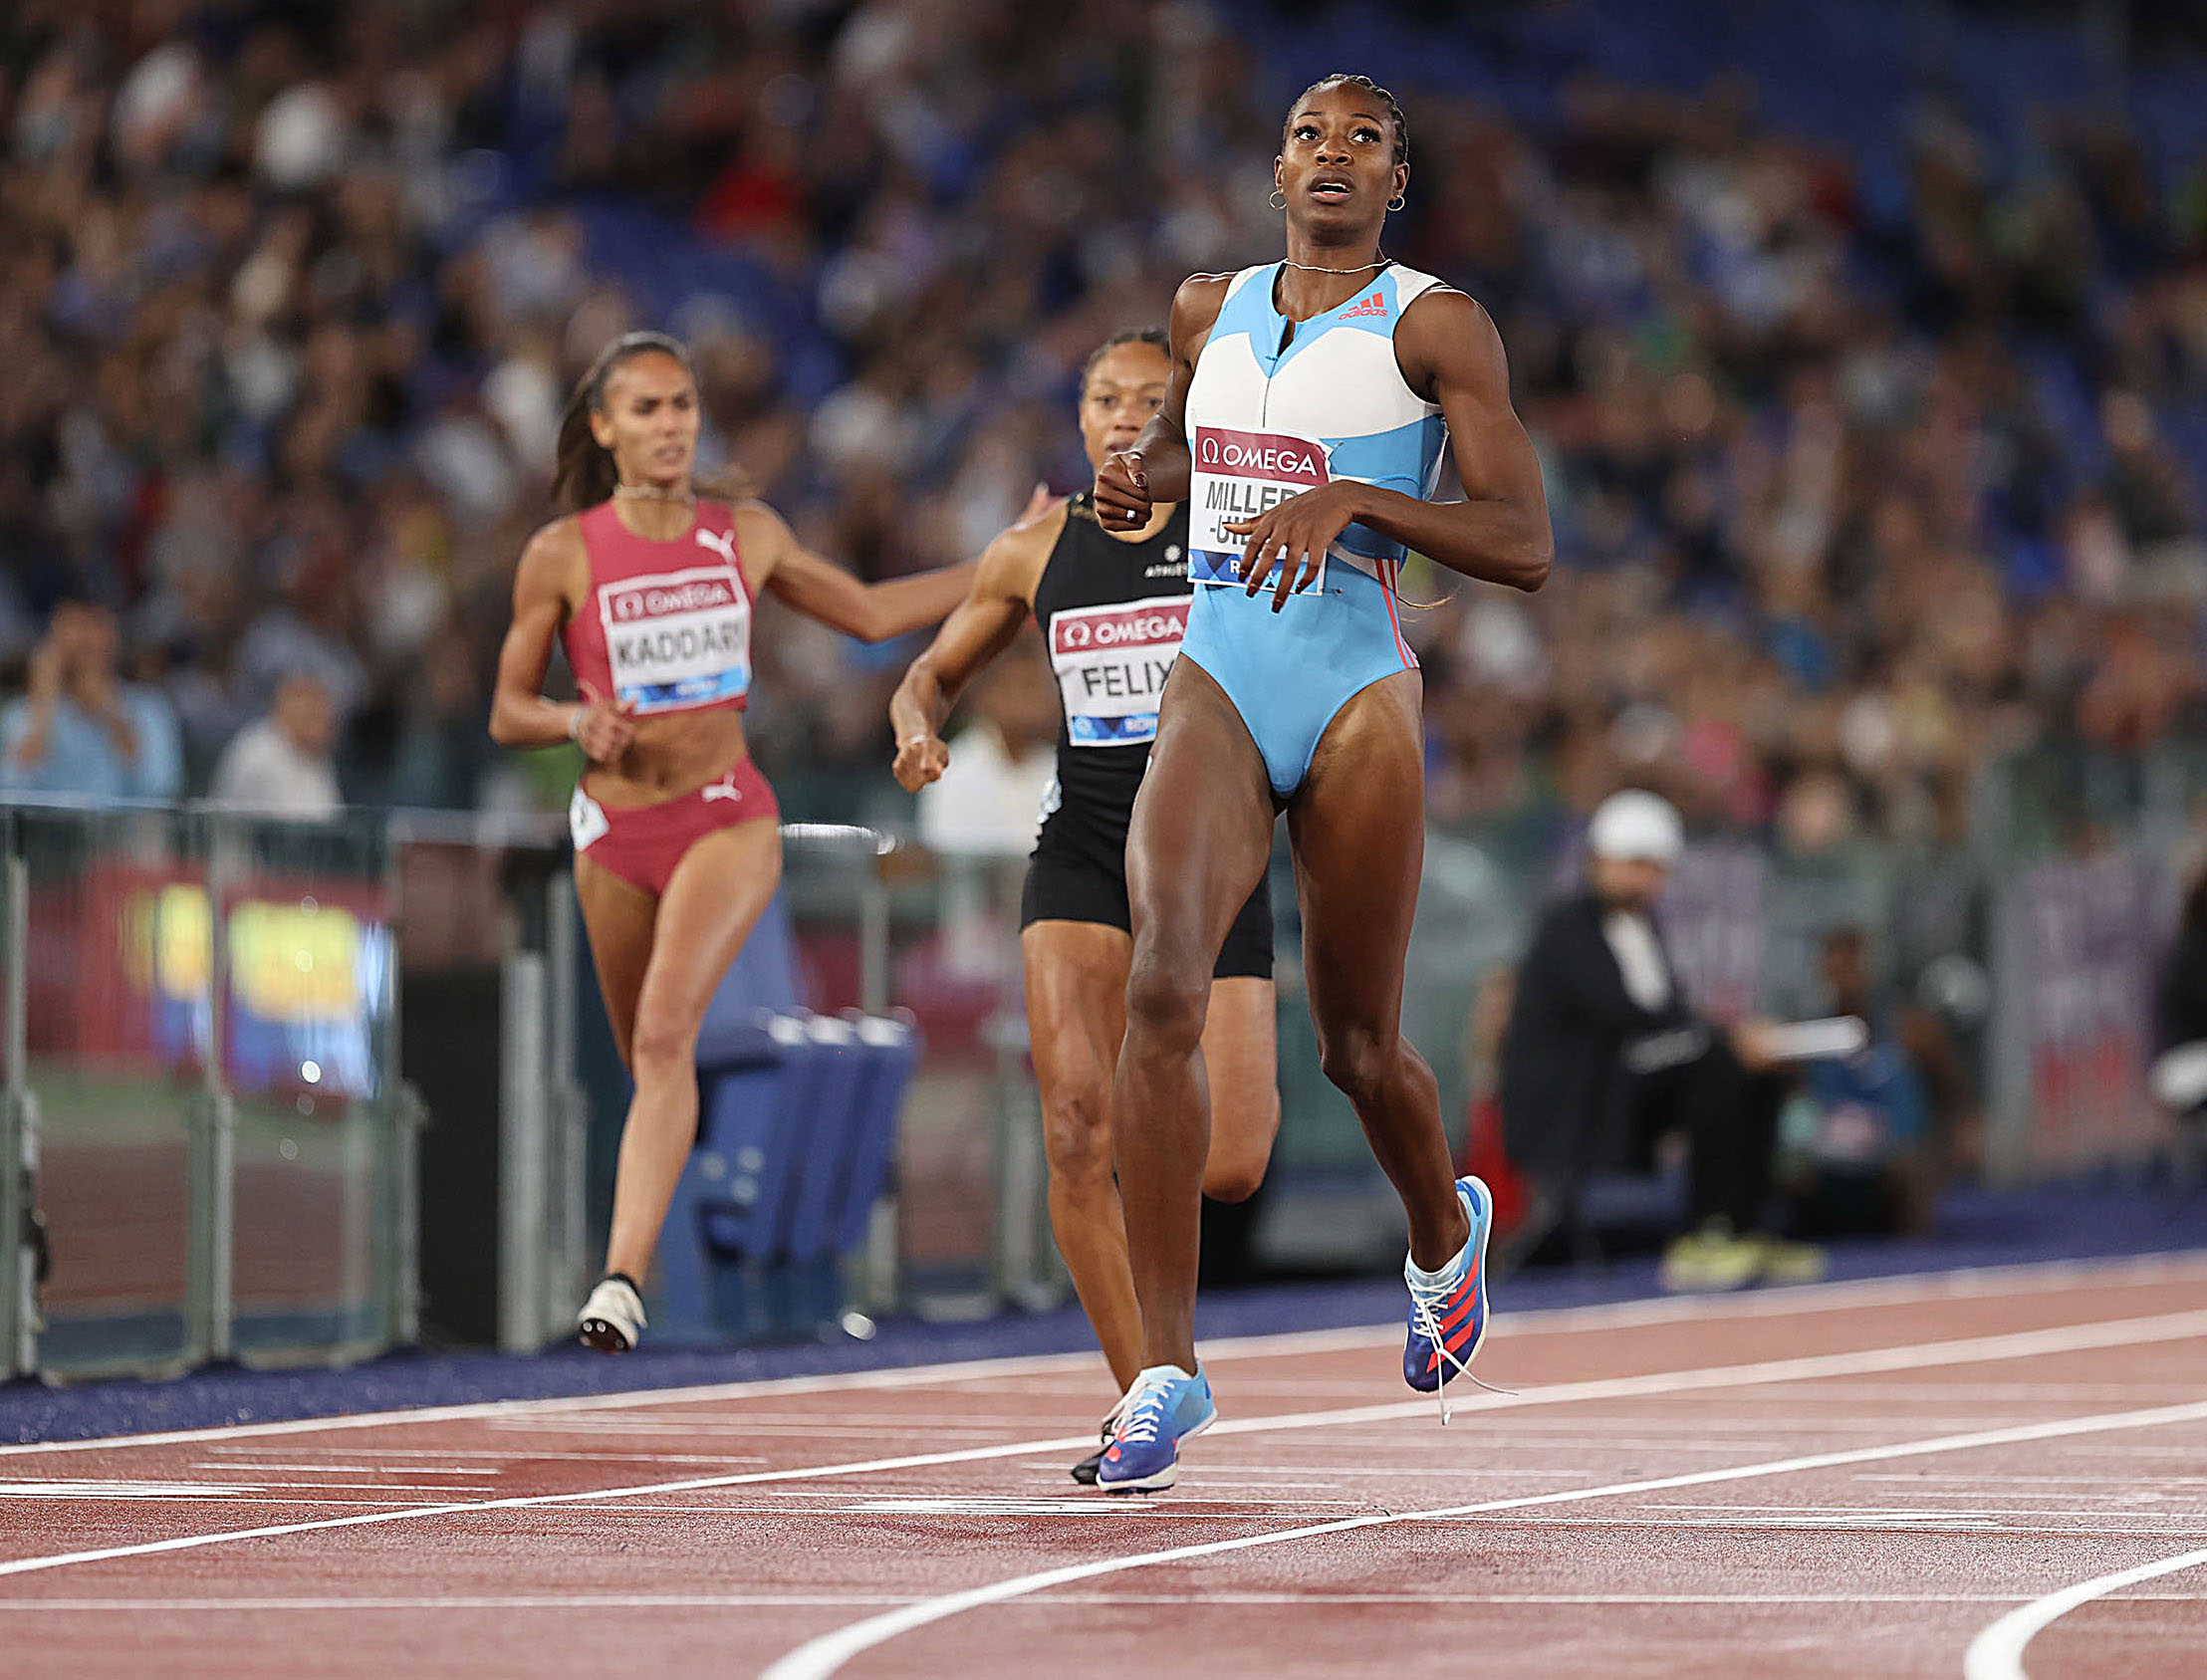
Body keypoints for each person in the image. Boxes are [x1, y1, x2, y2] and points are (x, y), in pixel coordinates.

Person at [1088, 75, 1553, 1492]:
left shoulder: (1435, 324)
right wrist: (1140, 477)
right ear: (1276, 170)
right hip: (1220, 666)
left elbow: (1523, 539)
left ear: (1397, 181)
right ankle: (1164, 1367)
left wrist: (1356, 500)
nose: (1332, 154)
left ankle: (1441, 1232)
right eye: (1309, 136)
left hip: (1353, 684)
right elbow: (1194, 453)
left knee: (1356, 1047)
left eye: (1364, 140)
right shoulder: (1204, 308)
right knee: (1159, 986)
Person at [490, 331, 974, 1351]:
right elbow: (506, 708)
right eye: (647, 409)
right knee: (647, 1057)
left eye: (682, 405)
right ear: (604, 428)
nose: (671, 425)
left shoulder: (742, 533)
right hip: (614, 831)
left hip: (726, 814)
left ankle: (620, 1279)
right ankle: (674, 1220)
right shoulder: (563, 553)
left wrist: (1006, 564)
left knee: (666, 1036)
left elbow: (870, 613)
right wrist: (573, 720)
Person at [891, 329, 1281, 1485]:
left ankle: (1158, 1367)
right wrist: (916, 729)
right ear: (1077, 415)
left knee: (1233, 1160)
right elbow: (929, 673)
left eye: (1148, 399)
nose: (1123, 415)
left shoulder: (1224, 527)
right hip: (1084, 848)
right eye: (1104, 396)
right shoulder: (1032, 548)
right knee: (1073, 1126)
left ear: (1183, 420)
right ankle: (1149, 1388)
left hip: (1209, 853)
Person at [1496, 790, 1810, 1292]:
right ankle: (1706, 1231)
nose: (1645, 879)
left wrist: (1735, 1040)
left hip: (1629, 1081)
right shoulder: (1566, 927)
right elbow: (1623, 1014)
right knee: (1716, 1059)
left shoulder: (1644, 927)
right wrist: (1722, 1039)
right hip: (1580, 1099)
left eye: (1654, 867)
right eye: (1633, 864)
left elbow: (1665, 1013)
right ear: (1598, 862)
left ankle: (1742, 1226)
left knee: (1757, 1069)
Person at [0, 599, 182, 803]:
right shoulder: (21, 713)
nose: (85, 641)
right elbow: (11, 791)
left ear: (114, 638)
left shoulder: (149, 709)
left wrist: (114, 716)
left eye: (95, 626)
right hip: (49, 825)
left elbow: (160, 789)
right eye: (73, 627)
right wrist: (42, 708)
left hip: (122, 824)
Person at [208, 670, 342, 816]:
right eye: (316, 714)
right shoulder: (257, 752)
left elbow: (330, 817)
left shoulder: (316, 756)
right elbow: (286, 822)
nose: (326, 723)